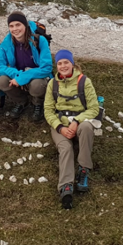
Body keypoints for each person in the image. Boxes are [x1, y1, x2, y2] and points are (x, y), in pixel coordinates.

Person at [44, 49, 99, 209]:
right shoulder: (52, 84)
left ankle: (83, 170)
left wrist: (76, 121)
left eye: (66, 62)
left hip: (80, 121)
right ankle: (66, 186)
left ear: (72, 63)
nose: (63, 66)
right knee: (65, 148)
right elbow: (48, 110)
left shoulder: (84, 81)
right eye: (59, 63)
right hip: (60, 124)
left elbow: (94, 108)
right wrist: (60, 127)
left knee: (87, 128)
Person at [0, 11, 52, 121]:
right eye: (11, 26)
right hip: (17, 74)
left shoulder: (39, 40)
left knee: (37, 85)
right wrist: (16, 74)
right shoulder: (6, 43)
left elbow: (47, 67)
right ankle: (21, 101)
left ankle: (37, 103)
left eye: (18, 25)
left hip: (36, 76)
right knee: (2, 81)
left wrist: (23, 77)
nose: (15, 29)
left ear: (25, 25)